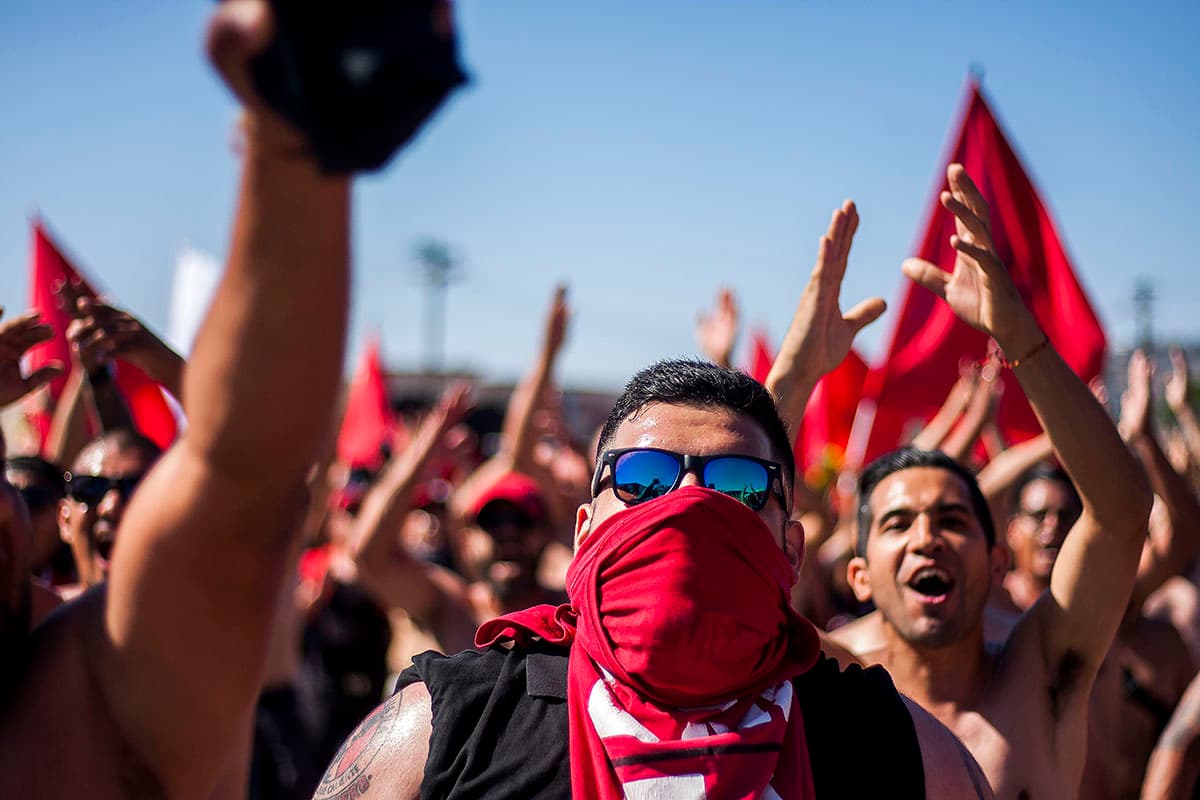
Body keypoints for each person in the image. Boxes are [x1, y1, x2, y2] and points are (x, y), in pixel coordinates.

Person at [315, 201, 992, 800]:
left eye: (737, 487)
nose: (690, 504)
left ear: (792, 545)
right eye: (642, 478)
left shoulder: (893, 751)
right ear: (583, 531)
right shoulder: (444, 729)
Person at [0, 0, 454, 794]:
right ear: (65, 511)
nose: (113, 507)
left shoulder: (86, 693)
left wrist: (298, 132)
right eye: (87, 487)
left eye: (135, 489)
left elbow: (246, 469)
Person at [843, 165, 1154, 799]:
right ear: (859, 575)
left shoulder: (1042, 675)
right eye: (898, 523)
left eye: (953, 519)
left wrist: (1018, 336)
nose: (927, 537)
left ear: (994, 562)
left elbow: (1121, 509)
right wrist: (792, 373)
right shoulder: (822, 683)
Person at [55, 429, 162, 598]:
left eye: (136, 488)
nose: (111, 507)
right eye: (91, 488)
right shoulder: (36, 620)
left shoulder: (207, 619)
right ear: (65, 520)